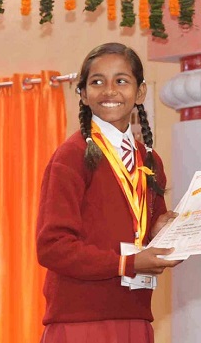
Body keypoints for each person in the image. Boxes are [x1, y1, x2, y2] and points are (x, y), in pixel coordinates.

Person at [36, 43, 180, 343]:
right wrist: (128, 263)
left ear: (140, 92)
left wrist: (165, 234)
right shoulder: (71, 155)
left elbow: (146, 240)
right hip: (81, 321)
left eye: (121, 80)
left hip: (135, 314)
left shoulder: (149, 160)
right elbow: (52, 246)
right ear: (83, 94)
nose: (109, 90)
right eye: (97, 82)